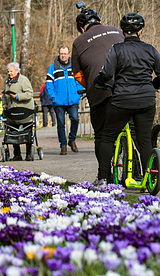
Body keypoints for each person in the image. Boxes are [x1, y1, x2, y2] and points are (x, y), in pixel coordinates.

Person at [92, 13, 160, 187]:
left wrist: (99, 82)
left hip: (122, 99)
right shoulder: (151, 50)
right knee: (144, 140)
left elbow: (106, 73)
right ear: (141, 31)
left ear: (123, 32)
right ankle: (149, 179)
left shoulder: (117, 49)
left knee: (107, 137)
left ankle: (102, 178)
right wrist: (154, 84)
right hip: (146, 100)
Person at [71, 6, 124, 167]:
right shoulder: (117, 30)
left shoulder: (79, 41)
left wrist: (89, 87)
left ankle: (104, 175)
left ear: (82, 28)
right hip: (127, 86)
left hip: (100, 91)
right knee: (133, 130)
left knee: (101, 135)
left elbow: (78, 74)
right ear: (99, 21)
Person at [46, 46, 84, 155]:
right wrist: (53, 97)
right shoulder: (53, 68)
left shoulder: (74, 67)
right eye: (62, 53)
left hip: (73, 100)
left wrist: (79, 94)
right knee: (61, 124)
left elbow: (79, 81)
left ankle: (72, 140)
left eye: (65, 53)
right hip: (59, 101)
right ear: (59, 54)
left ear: (68, 54)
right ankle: (63, 145)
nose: (63, 55)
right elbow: (49, 84)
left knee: (75, 119)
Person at [3, 62, 35, 161]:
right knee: (12, 131)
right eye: (8, 71)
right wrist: (4, 103)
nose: (9, 73)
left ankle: (29, 153)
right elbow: (4, 94)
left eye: (11, 71)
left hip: (24, 111)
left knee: (27, 131)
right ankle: (17, 154)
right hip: (12, 111)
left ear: (17, 71)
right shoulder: (6, 81)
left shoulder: (23, 80)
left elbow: (29, 94)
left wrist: (17, 96)